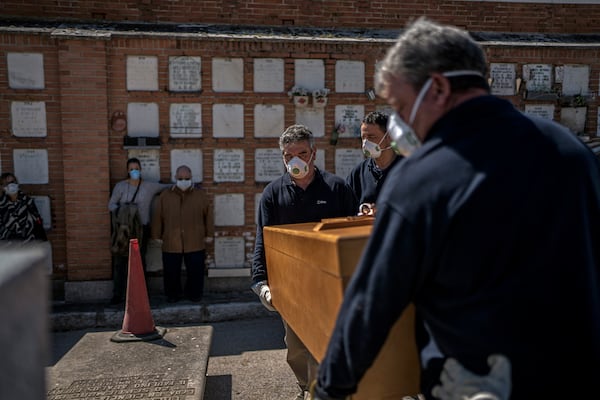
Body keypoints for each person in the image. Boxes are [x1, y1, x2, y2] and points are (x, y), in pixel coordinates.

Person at [311, 17, 600, 400]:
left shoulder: (422, 176)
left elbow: (370, 304)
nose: (399, 123)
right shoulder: (571, 150)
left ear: (439, 87)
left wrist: (330, 390)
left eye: (401, 105)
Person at [251, 124, 358, 400]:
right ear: (282, 157)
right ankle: (306, 387)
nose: (295, 160)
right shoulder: (273, 194)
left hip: (330, 283)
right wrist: (260, 282)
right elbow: (263, 239)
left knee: (334, 341)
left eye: (301, 152)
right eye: (288, 155)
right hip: (291, 285)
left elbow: (352, 234)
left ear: (314, 153)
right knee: (296, 347)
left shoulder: (337, 188)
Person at [108, 157, 169, 304]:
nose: (134, 171)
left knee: (140, 263)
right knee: (120, 262)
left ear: (140, 169)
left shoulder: (148, 186)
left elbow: (165, 187)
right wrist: (124, 212)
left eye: (136, 168)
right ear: (127, 171)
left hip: (141, 229)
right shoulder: (121, 187)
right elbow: (111, 205)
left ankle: (142, 295)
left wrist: (184, 183)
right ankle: (118, 294)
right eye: (131, 169)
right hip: (124, 229)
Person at [151, 165, 214, 303]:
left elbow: (208, 215)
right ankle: (173, 295)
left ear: (191, 178)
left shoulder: (200, 195)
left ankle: (194, 294)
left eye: (186, 178)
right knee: (171, 271)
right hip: (171, 240)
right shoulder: (165, 196)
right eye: (180, 178)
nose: (183, 181)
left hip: (195, 240)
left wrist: (209, 234)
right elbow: (158, 216)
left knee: (196, 271)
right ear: (175, 178)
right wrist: (156, 235)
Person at [346, 111, 403, 212]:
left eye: (372, 137)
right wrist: (363, 209)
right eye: (363, 138)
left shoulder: (407, 169)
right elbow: (347, 208)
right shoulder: (358, 173)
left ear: (389, 137)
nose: (366, 143)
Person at [0, 172, 47, 242]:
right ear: (2, 187)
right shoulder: (1, 205)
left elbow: (37, 219)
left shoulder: (27, 200)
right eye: (7, 183)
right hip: (9, 245)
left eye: (13, 182)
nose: (11, 185)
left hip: (30, 242)